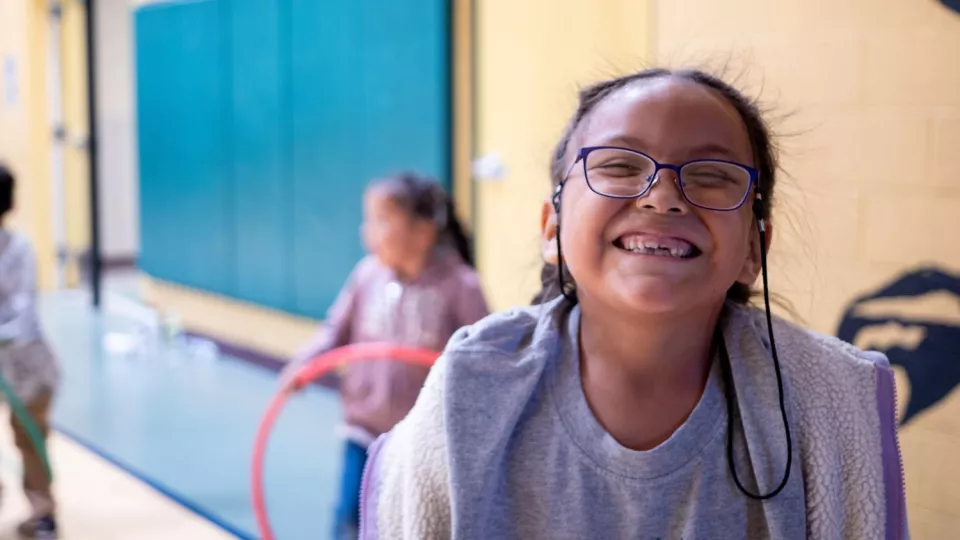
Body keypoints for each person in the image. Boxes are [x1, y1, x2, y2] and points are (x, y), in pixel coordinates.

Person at [358, 69, 909, 539]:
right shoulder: (471, 385)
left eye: (712, 176)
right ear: (553, 230)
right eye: (620, 166)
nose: (662, 195)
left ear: (753, 248)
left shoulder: (823, 400)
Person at [280, 172, 489, 540]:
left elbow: (484, 359)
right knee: (349, 516)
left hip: (425, 437)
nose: (367, 232)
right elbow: (334, 332)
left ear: (422, 232)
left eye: (381, 220)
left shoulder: (460, 285)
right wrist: (304, 363)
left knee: (414, 522)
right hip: (363, 427)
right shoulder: (366, 276)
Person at [0, 163, 61, 539]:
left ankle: (43, 515)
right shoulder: (20, 248)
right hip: (26, 360)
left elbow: (23, 318)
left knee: (30, 434)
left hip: (26, 364)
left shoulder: (19, 250)